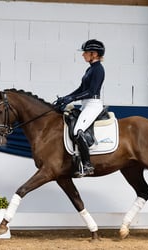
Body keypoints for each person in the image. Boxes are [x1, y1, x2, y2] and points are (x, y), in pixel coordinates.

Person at [55, 39, 105, 177]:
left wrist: (72, 99)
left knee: (78, 130)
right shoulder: (90, 69)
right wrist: (66, 97)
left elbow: (91, 91)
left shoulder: (98, 69)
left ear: (94, 54)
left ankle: (87, 164)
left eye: (85, 53)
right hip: (86, 104)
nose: (83, 55)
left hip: (93, 104)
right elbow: (81, 89)